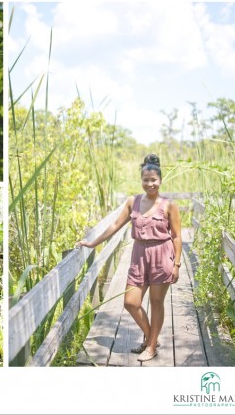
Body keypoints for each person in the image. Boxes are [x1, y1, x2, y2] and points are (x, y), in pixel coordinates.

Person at [75, 154, 182, 362]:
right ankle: (152, 336)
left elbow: (177, 237)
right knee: (130, 302)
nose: (150, 184)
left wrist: (176, 265)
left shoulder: (169, 205)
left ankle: (150, 346)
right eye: (146, 180)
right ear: (141, 180)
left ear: (160, 180)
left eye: (154, 180)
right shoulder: (133, 202)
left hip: (162, 255)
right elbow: (115, 226)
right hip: (139, 255)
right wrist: (93, 243)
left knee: (156, 302)